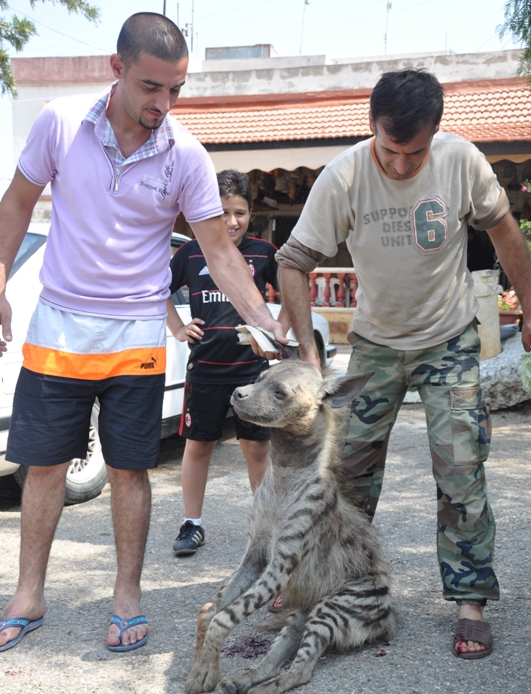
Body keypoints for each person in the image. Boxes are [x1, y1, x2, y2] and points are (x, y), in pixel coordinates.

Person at [0, 13, 285, 654]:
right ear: (117, 68)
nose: (164, 103)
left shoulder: (185, 152)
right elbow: (16, 203)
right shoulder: (59, 122)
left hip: (134, 329)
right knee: (42, 468)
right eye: (152, 86)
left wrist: (266, 324)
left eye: (176, 89)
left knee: (130, 469)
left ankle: (126, 596)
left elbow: (217, 249)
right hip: (59, 325)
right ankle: (28, 594)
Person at [275, 68, 531, 659]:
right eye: (388, 150)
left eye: (412, 154)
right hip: (375, 347)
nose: (398, 165)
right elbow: (293, 262)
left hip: (447, 340)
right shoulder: (343, 177)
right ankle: (329, 589)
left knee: (461, 467)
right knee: (345, 476)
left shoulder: (461, 162)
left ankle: (469, 600)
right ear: (372, 128)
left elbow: (504, 230)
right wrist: (310, 359)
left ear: (435, 133)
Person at [167, 169, 287, 556]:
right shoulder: (189, 253)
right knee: (198, 446)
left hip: (252, 374)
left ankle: (265, 526)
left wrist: (273, 336)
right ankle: (192, 524)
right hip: (205, 371)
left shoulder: (264, 253)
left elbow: (291, 295)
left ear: (251, 213)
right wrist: (179, 328)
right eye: (221, 213)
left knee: (256, 450)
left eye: (240, 212)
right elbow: (155, 292)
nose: (231, 222)